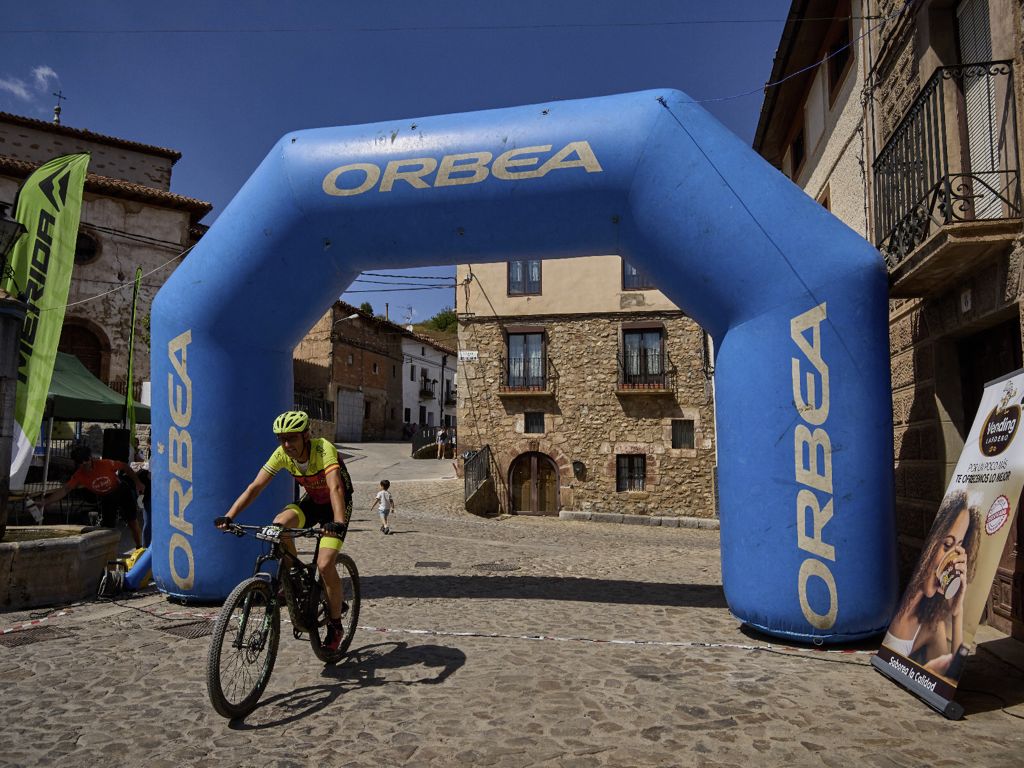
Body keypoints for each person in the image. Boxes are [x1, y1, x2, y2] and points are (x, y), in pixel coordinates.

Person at [215, 411, 354, 652]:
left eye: (292, 438)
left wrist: (338, 522)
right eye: (282, 439)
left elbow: (335, 488)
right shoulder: (282, 454)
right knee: (278, 524)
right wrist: (230, 516)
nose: (287, 444)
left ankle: (335, 625)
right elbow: (255, 487)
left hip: (336, 506)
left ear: (306, 435)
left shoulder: (323, 449)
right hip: (311, 502)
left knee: (324, 564)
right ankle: (297, 575)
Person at [882, 489, 981, 676]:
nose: (951, 560)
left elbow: (949, 679)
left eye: (957, 548)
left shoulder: (930, 626)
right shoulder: (892, 598)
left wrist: (957, 612)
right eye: (946, 545)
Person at [38, 445, 145, 548]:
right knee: (107, 528)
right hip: (107, 498)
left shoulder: (104, 463)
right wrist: (46, 501)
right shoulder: (79, 475)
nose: (85, 463)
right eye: (81, 462)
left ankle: (139, 547)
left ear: (91, 458)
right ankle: (108, 552)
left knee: (132, 521)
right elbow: (65, 489)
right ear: (76, 463)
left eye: (86, 460)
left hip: (121, 491)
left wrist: (138, 482)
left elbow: (125, 466)